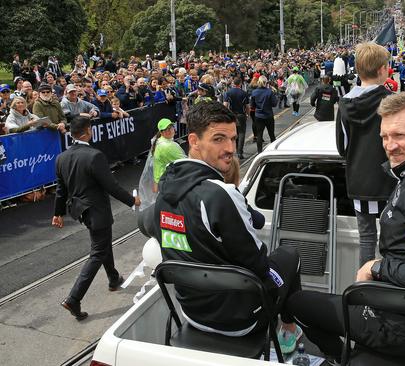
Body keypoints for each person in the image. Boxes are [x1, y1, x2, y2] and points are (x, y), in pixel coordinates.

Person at [288, 92, 405, 364]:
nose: (390, 145)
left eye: (399, 135)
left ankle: (339, 358)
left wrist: (376, 267)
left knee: (295, 304)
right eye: (384, 137)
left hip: (404, 327)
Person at [148, 102, 303, 353]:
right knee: (290, 255)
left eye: (232, 138)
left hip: (191, 314)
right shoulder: (222, 194)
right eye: (219, 139)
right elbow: (259, 264)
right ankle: (288, 332)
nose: (230, 148)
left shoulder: (165, 190)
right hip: (240, 320)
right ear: (194, 141)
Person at [53, 116, 141, 320]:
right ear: (87, 131)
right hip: (97, 210)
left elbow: (61, 189)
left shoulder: (62, 158)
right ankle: (73, 298)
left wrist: (57, 213)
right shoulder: (94, 156)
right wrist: (132, 200)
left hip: (81, 210)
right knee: (97, 252)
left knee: (102, 244)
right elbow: (111, 185)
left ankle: (113, 278)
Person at [336, 42, 396, 267]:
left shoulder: (344, 104)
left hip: (359, 179)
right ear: (382, 69)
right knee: (393, 238)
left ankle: (365, 288)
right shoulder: (391, 101)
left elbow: (343, 146)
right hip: (390, 180)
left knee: (367, 238)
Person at [151, 118, 186, 191]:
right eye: (166, 129)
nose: (169, 130)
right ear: (161, 132)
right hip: (167, 183)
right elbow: (185, 162)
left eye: (171, 127)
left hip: (161, 181)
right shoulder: (168, 146)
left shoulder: (159, 141)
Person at [250, 75, 278, 153]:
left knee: (259, 135)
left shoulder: (254, 92)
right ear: (266, 83)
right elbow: (274, 104)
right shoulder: (269, 92)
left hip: (258, 116)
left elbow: (252, 106)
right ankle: (274, 151)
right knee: (271, 134)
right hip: (268, 115)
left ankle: (259, 152)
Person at [223, 77, 250, 159]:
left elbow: (225, 105)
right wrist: (248, 114)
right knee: (241, 133)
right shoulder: (244, 93)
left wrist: (226, 114)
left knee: (233, 134)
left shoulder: (228, 93)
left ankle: (232, 150)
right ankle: (240, 152)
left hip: (232, 115)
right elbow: (247, 106)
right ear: (240, 84)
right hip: (241, 114)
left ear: (233, 83)